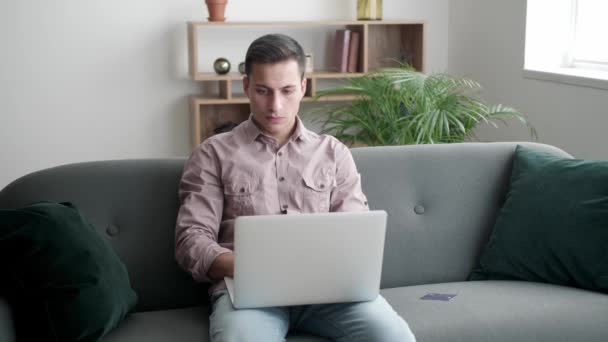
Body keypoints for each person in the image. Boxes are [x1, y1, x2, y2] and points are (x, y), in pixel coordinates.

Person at [175, 33, 417, 342]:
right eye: (263, 91)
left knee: (394, 337)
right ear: (246, 86)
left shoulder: (333, 153)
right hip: (249, 296)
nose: (275, 105)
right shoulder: (212, 154)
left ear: (303, 87)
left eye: (287, 90)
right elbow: (190, 241)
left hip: (330, 295)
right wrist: (255, 267)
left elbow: (354, 236)